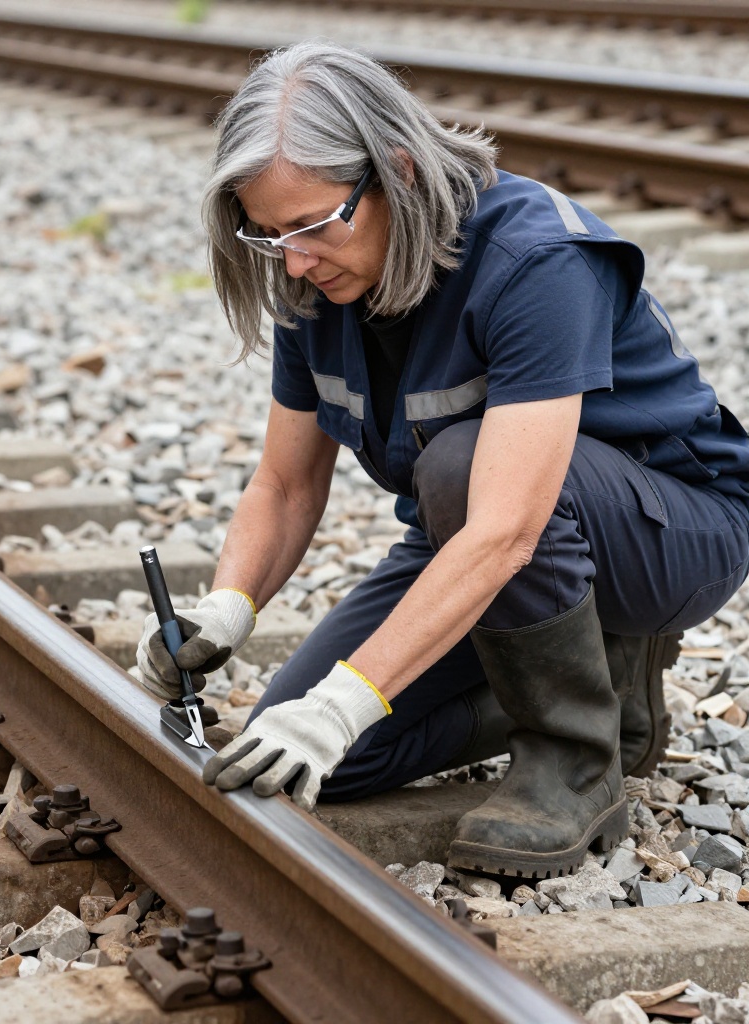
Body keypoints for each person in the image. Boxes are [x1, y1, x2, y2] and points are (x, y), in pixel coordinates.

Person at [137, 41, 749, 878]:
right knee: (304, 753)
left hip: (672, 531)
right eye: (270, 233)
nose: (294, 259)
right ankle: (594, 682)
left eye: (314, 224)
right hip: (489, 535)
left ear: (397, 173)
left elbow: (502, 530)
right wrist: (227, 610)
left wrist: (349, 699)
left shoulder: (535, 261)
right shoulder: (313, 280)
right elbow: (285, 484)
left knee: (459, 477)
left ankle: (574, 763)